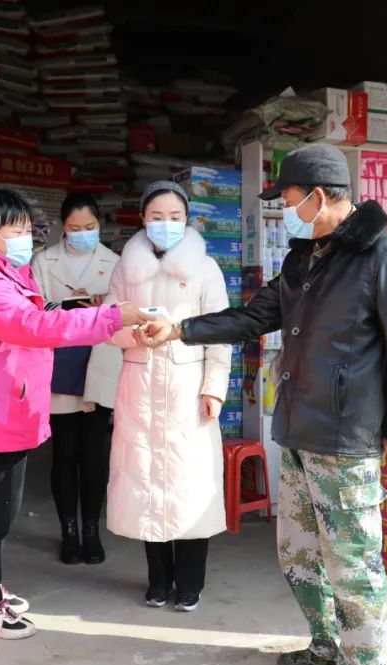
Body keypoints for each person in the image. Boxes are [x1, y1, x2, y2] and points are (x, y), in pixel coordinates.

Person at [140, 145, 387, 665]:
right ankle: (326, 644)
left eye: (290, 199)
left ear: (319, 197)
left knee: (352, 563)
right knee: (298, 553)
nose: (284, 210)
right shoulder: (306, 259)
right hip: (299, 427)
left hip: (347, 437)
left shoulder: (384, 257)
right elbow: (254, 316)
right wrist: (179, 329)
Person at [0, 188, 150, 640]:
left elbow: (35, 316)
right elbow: (31, 326)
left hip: (8, 405)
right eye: (15, 230)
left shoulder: (6, 272)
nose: (25, 238)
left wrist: (84, 311)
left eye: (27, 229)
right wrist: (109, 318)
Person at [103, 180, 230, 614]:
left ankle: (190, 583)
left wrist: (214, 388)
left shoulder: (206, 269)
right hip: (139, 385)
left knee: (188, 485)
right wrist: (133, 335)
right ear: (143, 219)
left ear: (187, 219)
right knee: (145, 484)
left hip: (187, 388)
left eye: (175, 217)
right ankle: (158, 579)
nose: (166, 224)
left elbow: (220, 333)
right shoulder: (126, 269)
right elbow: (107, 323)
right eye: (157, 217)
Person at [32, 193, 122, 565]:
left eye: (90, 227)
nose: (83, 233)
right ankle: (68, 531)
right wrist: (68, 307)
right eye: (74, 228)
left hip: (99, 364)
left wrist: (105, 306)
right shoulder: (44, 261)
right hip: (60, 364)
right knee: (65, 454)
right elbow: (32, 307)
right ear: (62, 226)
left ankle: (91, 530)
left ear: (100, 224)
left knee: (95, 455)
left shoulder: (115, 262)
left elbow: (125, 311)